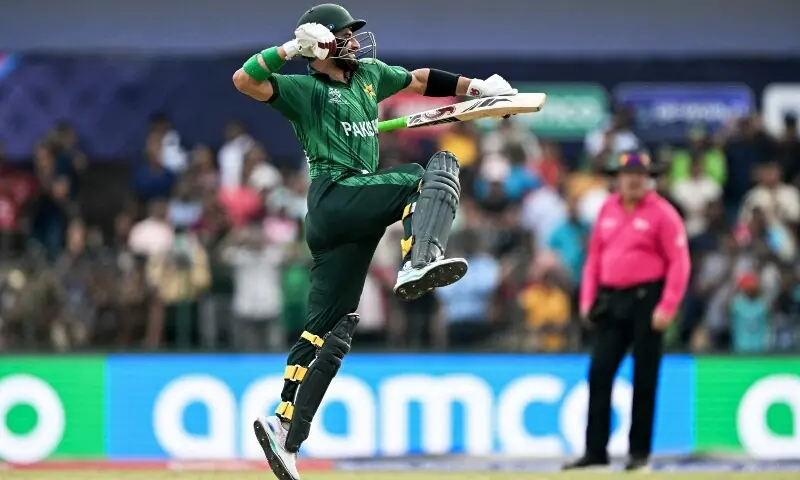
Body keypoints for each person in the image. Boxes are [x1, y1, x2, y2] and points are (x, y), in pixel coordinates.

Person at [231, 4, 517, 479]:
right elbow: (245, 80)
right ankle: (419, 258)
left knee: (330, 329)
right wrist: (286, 49)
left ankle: (285, 430)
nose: (354, 42)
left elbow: (420, 80)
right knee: (428, 173)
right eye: (343, 35)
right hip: (334, 197)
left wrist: (476, 87)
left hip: (353, 216)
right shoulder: (304, 90)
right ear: (318, 44)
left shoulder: (368, 77)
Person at [564, 151, 691, 472]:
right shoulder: (607, 208)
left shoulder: (663, 213)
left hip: (648, 300)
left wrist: (668, 306)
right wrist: (587, 300)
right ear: (617, 178)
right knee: (599, 372)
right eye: (627, 174)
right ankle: (596, 452)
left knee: (645, 377)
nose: (634, 179)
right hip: (611, 300)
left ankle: (639, 454)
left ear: (649, 177)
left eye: (640, 174)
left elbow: (680, 263)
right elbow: (594, 258)